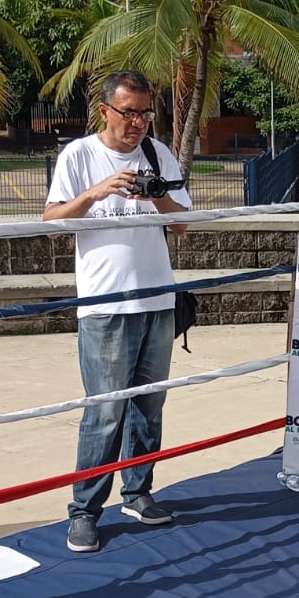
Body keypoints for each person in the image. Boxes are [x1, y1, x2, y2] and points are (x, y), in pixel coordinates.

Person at [43, 70, 193, 553]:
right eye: (129, 112)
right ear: (104, 110)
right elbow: (50, 223)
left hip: (157, 299)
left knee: (149, 404)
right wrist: (95, 192)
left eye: (146, 112)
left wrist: (158, 195)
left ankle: (138, 492)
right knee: (105, 412)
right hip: (105, 306)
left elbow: (185, 224)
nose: (138, 123)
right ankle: (85, 511)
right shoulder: (80, 155)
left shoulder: (159, 154)